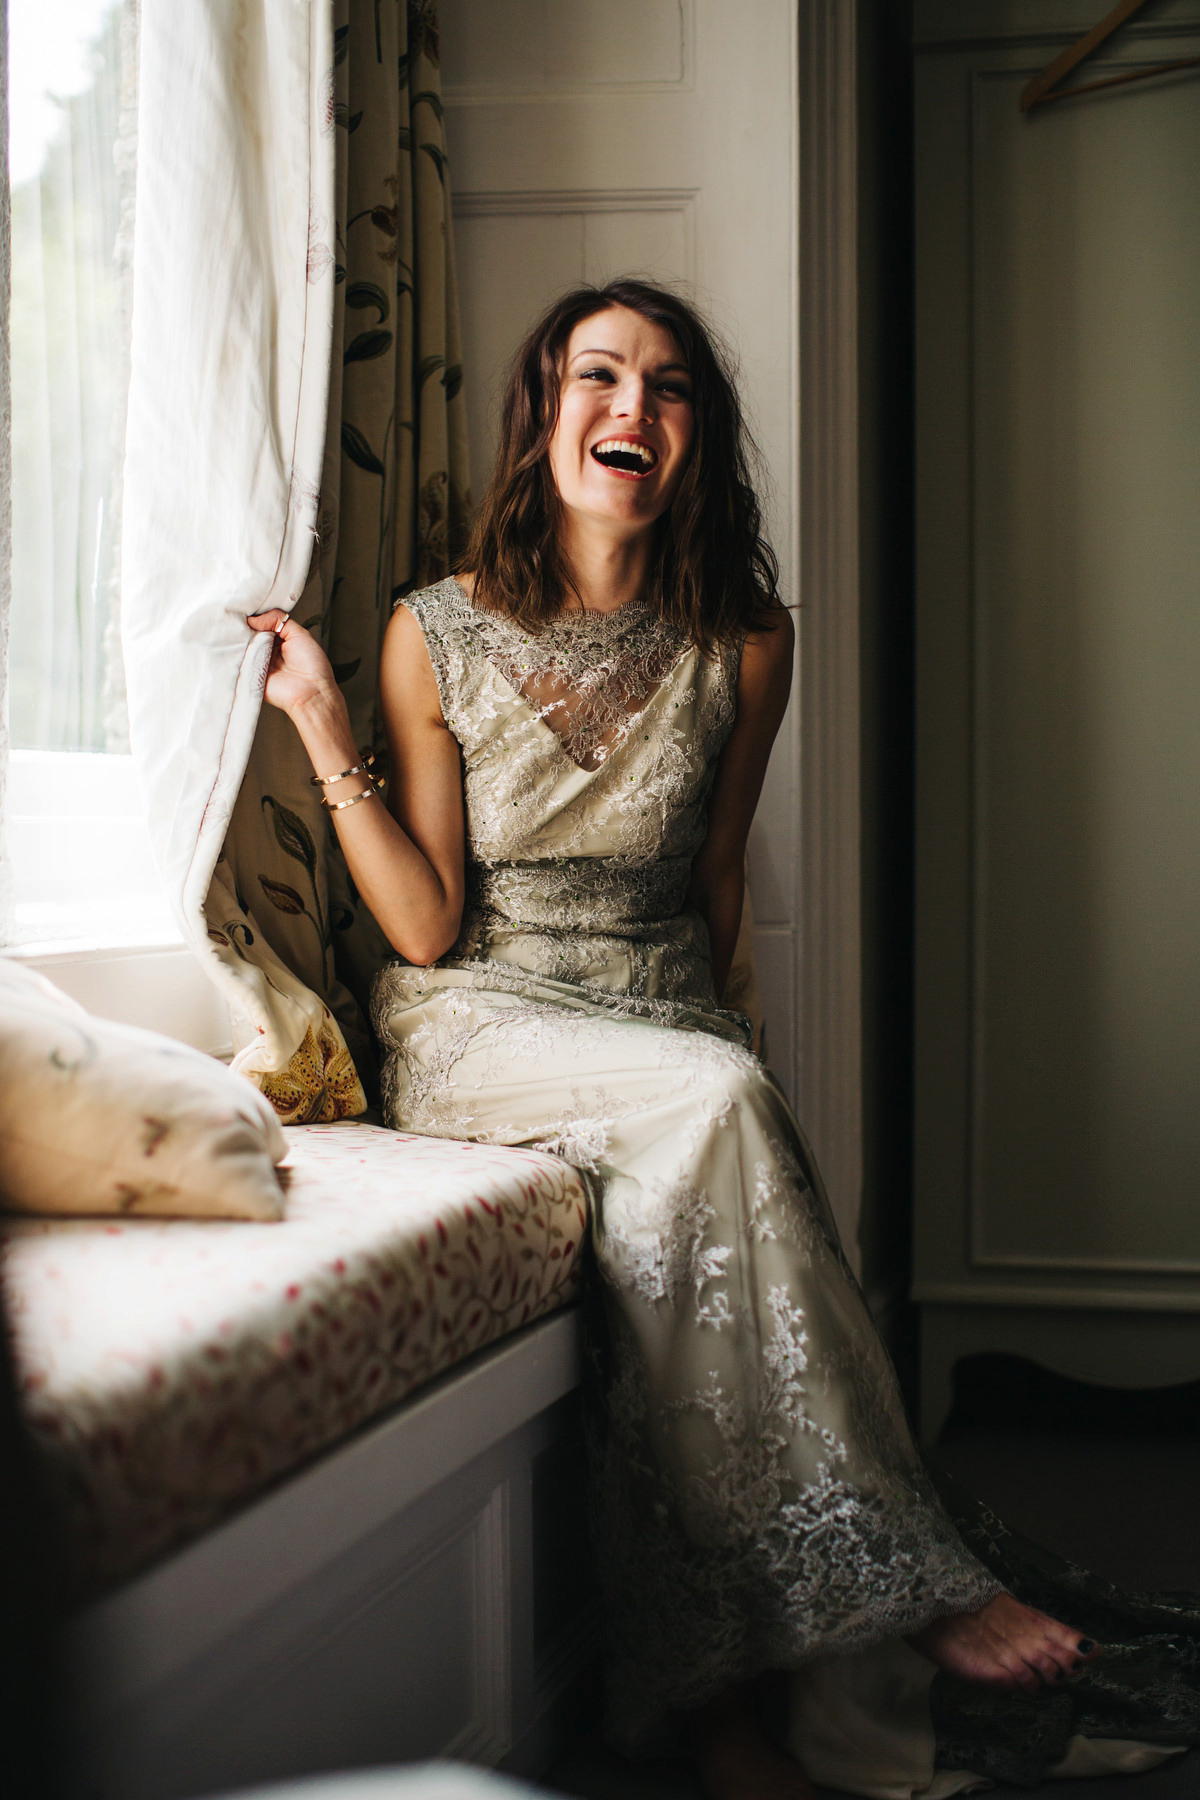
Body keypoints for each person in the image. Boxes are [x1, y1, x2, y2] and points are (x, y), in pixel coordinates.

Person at [248, 280, 1192, 1799]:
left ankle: (725, 1706)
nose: (634, 408)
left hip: (665, 1013)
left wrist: (734, 1068)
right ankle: (918, 1584)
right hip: (482, 1014)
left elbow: (719, 879)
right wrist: (321, 727)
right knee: (712, 1101)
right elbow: (422, 931)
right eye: (600, 376)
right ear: (543, 410)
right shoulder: (433, 630)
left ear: (698, 436)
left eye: (671, 386)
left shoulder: (747, 638)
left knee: (702, 1189)